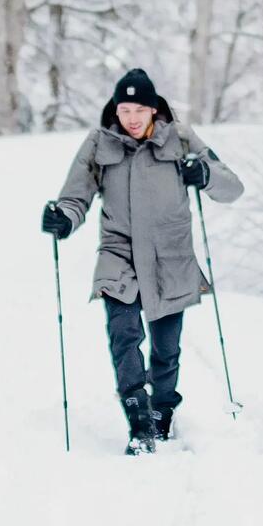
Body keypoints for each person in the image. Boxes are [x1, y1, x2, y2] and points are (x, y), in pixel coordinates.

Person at [42, 68, 244, 454]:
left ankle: (163, 412)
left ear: (154, 110)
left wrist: (203, 174)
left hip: (171, 257)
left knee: (166, 350)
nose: (131, 118)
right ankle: (139, 421)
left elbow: (231, 186)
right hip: (119, 255)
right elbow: (75, 196)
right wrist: (64, 219)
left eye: (139, 109)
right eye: (124, 109)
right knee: (124, 338)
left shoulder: (180, 139)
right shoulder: (99, 144)